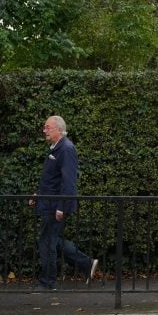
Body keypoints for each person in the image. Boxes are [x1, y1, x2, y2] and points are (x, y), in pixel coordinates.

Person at [30, 116, 98, 291]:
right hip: (50, 203)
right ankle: (86, 263)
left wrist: (61, 206)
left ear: (59, 130)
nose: (45, 131)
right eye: (45, 127)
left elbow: (68, 182)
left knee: (47, 242)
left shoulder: (66, 149)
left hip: (55, 206)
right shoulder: (57, 148)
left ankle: (47, 283)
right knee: (54, 240)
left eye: (48, 127)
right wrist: (38, 194)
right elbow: (52, 179)